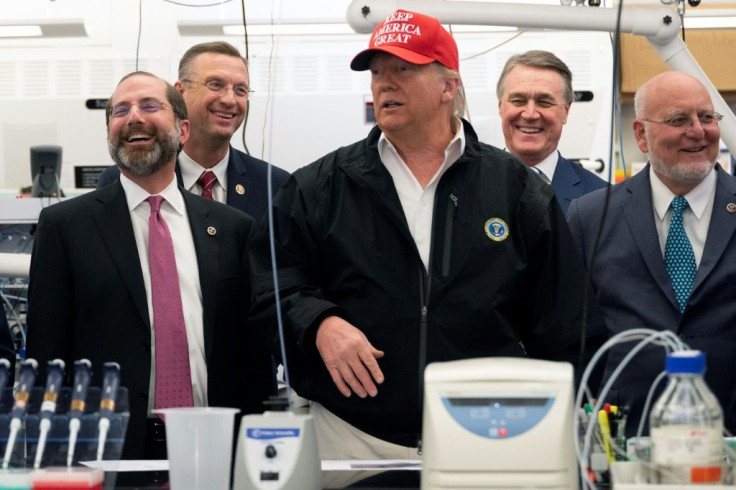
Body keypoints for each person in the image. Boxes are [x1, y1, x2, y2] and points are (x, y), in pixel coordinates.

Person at [251, 9, 605, 460]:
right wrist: (318, 322)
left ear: (448, 86)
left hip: (488, 437)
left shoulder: (516, 190)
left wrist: (544, 424)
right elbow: (270, 286)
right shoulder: (321, 186)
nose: (384, 83)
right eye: (378, 72)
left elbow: (566, 325)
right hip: (354, 437)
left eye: (403, 69)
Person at [26, 72, 276, 459]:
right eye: (120, 110)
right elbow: (46, 354)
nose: (133, 118)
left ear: (183, 130)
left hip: (214, 444)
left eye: (149, 106)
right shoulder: (65, 227)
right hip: (105, 449)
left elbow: (252, 354)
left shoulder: (233, 229)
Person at [567, 71, 736, 436]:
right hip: (626, 436)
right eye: (679, 120)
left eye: (706, 117)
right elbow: (572, 332)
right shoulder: (590, 216)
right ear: (641, 134)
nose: (698, 130)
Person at [97, 41, 289, 220]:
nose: (230, 100)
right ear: (180, 92)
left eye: (240, 90)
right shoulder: (121, 181)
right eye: (215, 85)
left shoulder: (274, 185)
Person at [497, 50, 607, 214]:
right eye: (518, 101)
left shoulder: (602, 199)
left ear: (565, 111)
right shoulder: (467, 186)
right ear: (501, 108)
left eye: (544, 102)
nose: (530, 114)